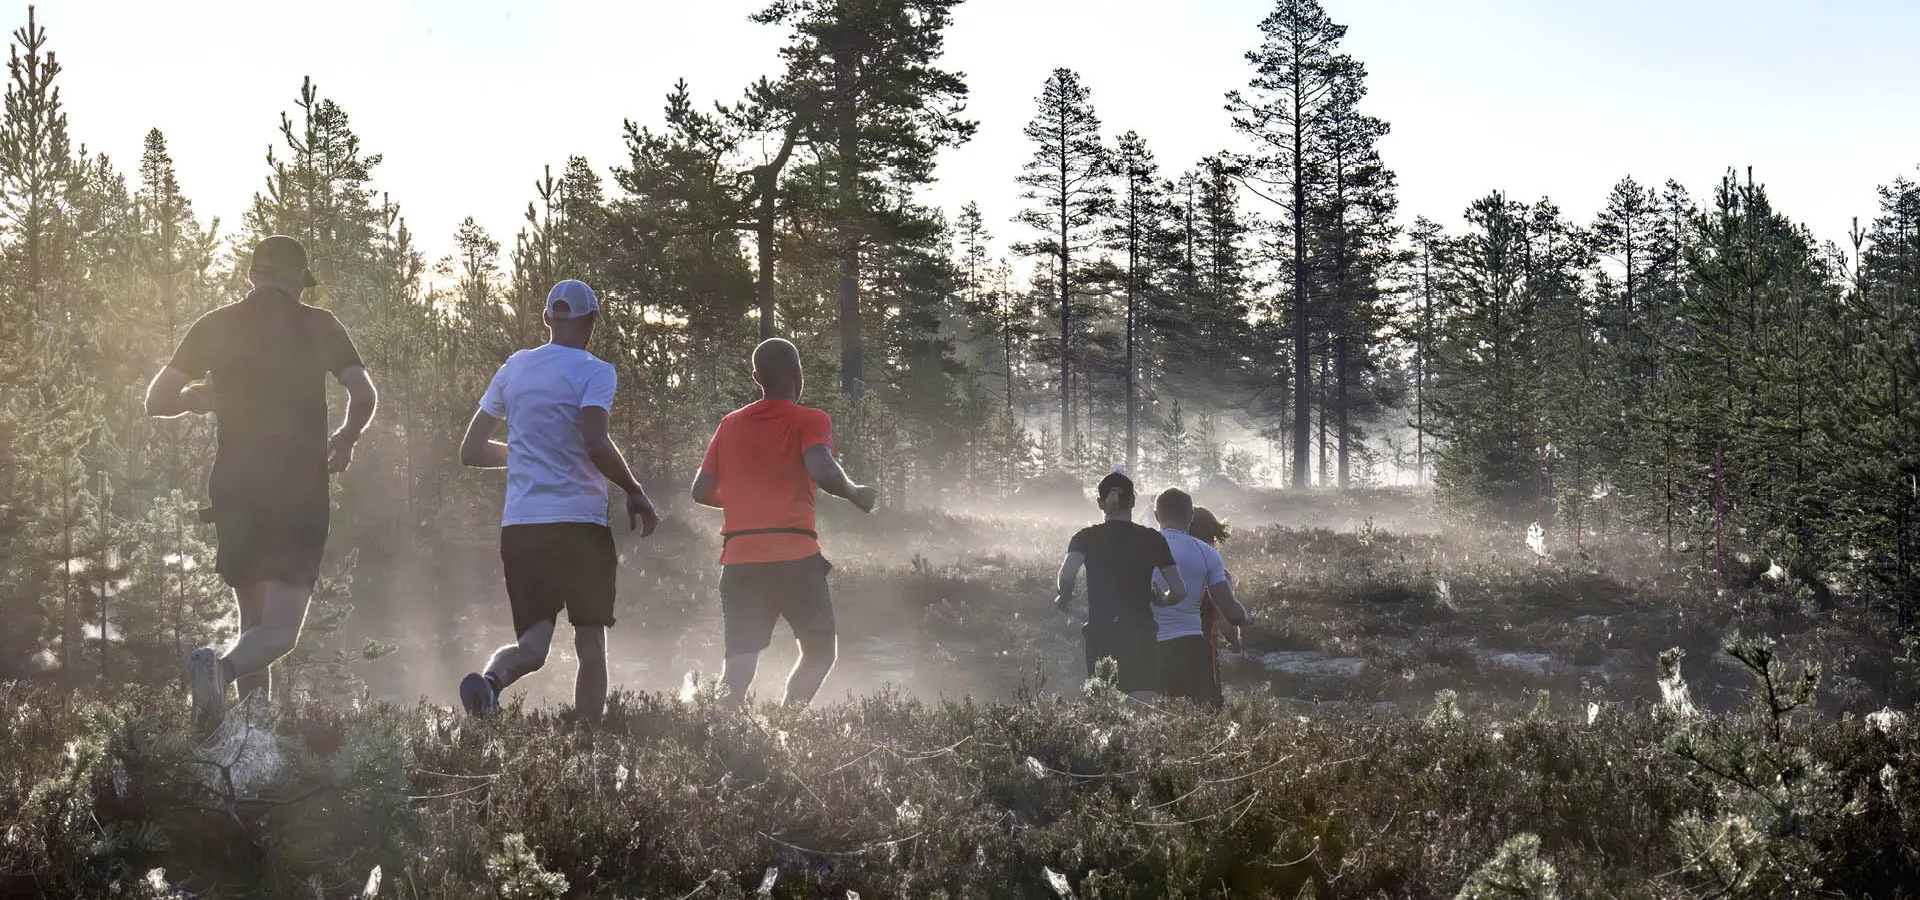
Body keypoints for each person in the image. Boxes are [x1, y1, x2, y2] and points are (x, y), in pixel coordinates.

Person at [146, 235, 378, 728]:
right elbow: (363, 394)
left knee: (254, 624)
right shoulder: (319, 324)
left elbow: (156, 400)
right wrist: (346, 439)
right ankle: (221, 674)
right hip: (298, 491)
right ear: (298, 281)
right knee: (281, 632)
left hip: (235, 489)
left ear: (252, 276)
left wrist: (197, 400)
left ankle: (252, 734)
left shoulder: (215, 325)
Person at [456, 280, 658, 723]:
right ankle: (586, 745)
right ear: (592, 321)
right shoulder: (595, 371)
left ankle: (490, 684)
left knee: (532, 649)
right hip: (580, 529)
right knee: (591, 646)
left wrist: (529, 452)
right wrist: (634, 489)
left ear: (547, 318)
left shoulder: (514, 368)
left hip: (523, 529)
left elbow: (470, 451)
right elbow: (595, 441)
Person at [691, 338, 876, 707]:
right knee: (819, 653)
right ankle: (787, 723)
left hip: (741, 562)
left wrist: (746, 502)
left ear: (757, 377)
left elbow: (700, 490)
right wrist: (855, 492)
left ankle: (718, 732)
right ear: (797, 373)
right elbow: (823, 470)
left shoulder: (729, 425)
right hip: (796, 560)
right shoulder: (810, 419)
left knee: (738, 669)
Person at [1054, 471, 1186, 701]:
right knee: (1142, 703)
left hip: (1101, 632)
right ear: (1133, 501)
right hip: (1140, 633)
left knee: (1103, 704)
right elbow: (1179, 590)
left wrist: (1063, 598)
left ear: (1100, 503)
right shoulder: (1153, 539)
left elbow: (1066, 577)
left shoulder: (1085, 537)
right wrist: (1162, 599)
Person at [1150, 491, 1250, 706]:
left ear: (1156, 515)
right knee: (1203, 708)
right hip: (1193, 647)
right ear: (1190, 516)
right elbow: (1229, 615)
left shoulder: (1141, 547)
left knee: (1152, 708)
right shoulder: (1208, 558)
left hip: (1146, 645)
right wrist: (1241, 626)